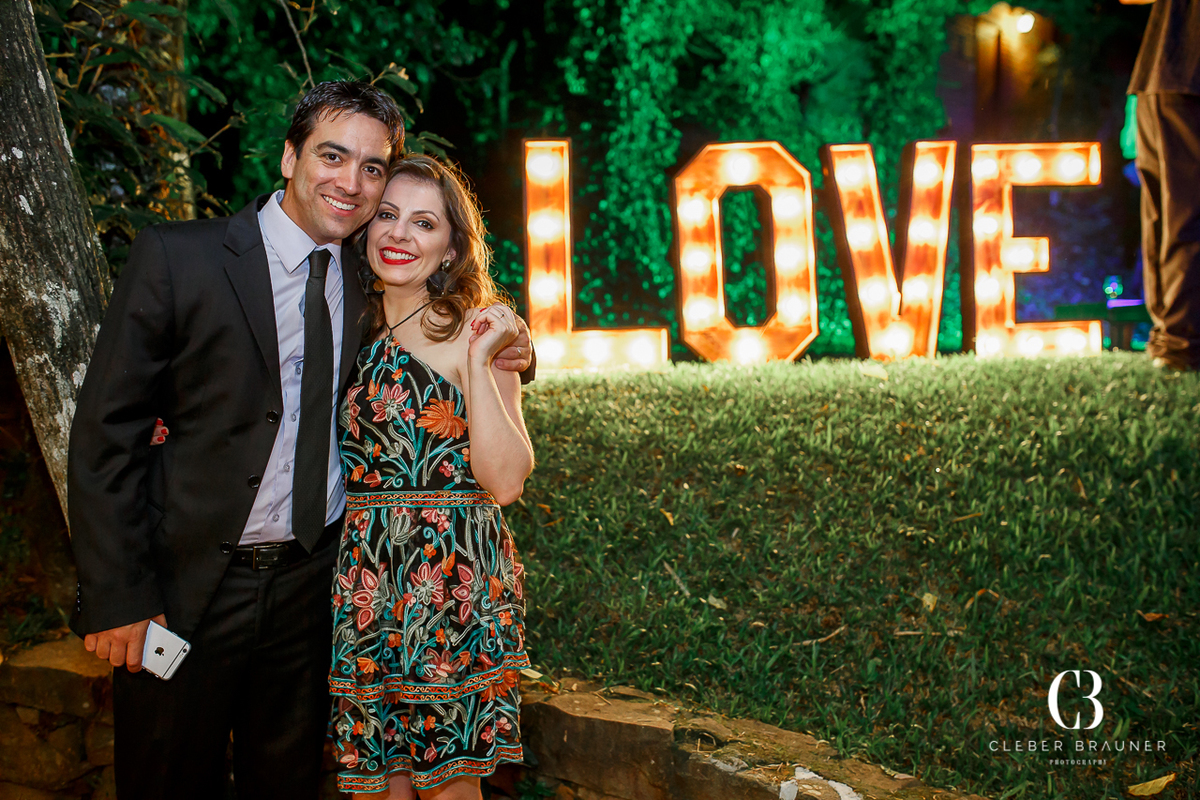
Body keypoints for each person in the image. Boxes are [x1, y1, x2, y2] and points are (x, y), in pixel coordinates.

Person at [66, 81, 533, 799]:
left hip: (317, 589)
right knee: (166, 778)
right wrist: (118, 593)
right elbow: (107, 431)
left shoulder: (367, 271)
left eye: (372, 168)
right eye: (332, 155)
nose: (351, 183)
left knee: (286, 783)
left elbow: (453, 333)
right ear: (289, 157)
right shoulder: (178, 258)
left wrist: (517, 346)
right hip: (188, 588)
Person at [328, 156, 534, 799]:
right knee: (376, 784)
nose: (399, 235)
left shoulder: (478, 329)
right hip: (366, 578)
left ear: (451, 246)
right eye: (387, 215)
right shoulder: (345, 321)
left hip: (449, 578)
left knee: (448, 786)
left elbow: (505, 481)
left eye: (424, 223)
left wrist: (480, 359)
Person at [1123, 0, 1200, 370]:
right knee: (1184, 209)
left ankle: (1171, 339)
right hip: (1182, 68)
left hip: (1162, 70)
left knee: (1166, 212)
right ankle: (1178, 342)